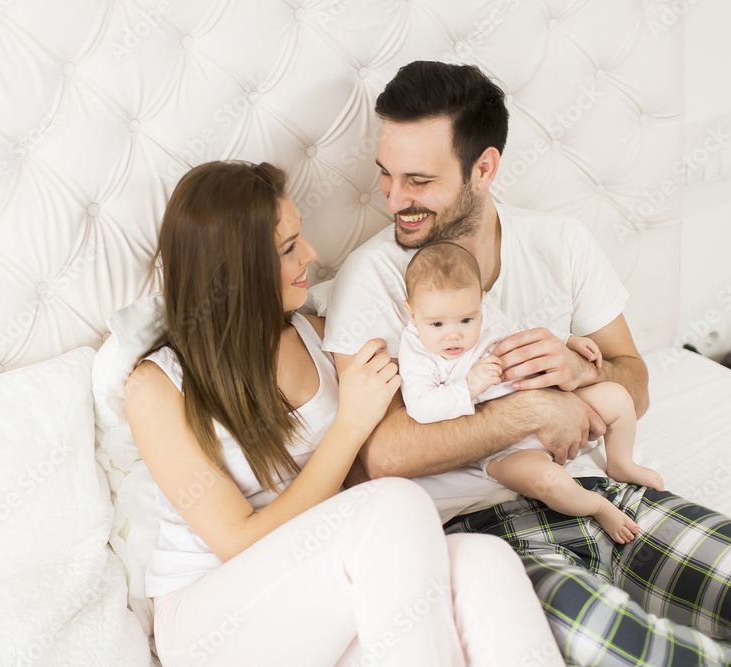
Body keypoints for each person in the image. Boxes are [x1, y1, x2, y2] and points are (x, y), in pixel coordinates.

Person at [322, 61, 731, 665]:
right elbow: (379, 454)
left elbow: (632, 376)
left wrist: (584, 375)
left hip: (600, 492)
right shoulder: (373, 278)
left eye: (418, 181)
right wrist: (532, 409)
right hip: (480, 533)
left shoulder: (560, 242)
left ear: (484, 168)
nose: (395, 200)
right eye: (387, 177)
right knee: (654, 657)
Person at [124, 160, 563, 667]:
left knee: (486, 563)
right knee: (393, 504)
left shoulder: (320, 335)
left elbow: (449, 364)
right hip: (212, 618)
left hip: (316, 589)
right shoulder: (157, 386)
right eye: (288, 248)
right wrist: (351, 424)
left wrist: (566, 363)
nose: (310, 254)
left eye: (299, 237)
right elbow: (237, 542)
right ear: (235, 273)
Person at [399, 241, 664, 544]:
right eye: (436, 323)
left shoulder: (486, 315)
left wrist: (567, 340)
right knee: (549, 481)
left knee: (617, 397)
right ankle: (599, 507)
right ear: (411, 312)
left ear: (481, 301)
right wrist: (469, 386)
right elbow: (421, 406)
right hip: (506, 449)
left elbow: (523, 329)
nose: (454, 334)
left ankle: (621, 462)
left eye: (466, 320)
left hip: (558, 404)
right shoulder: (417, 350)